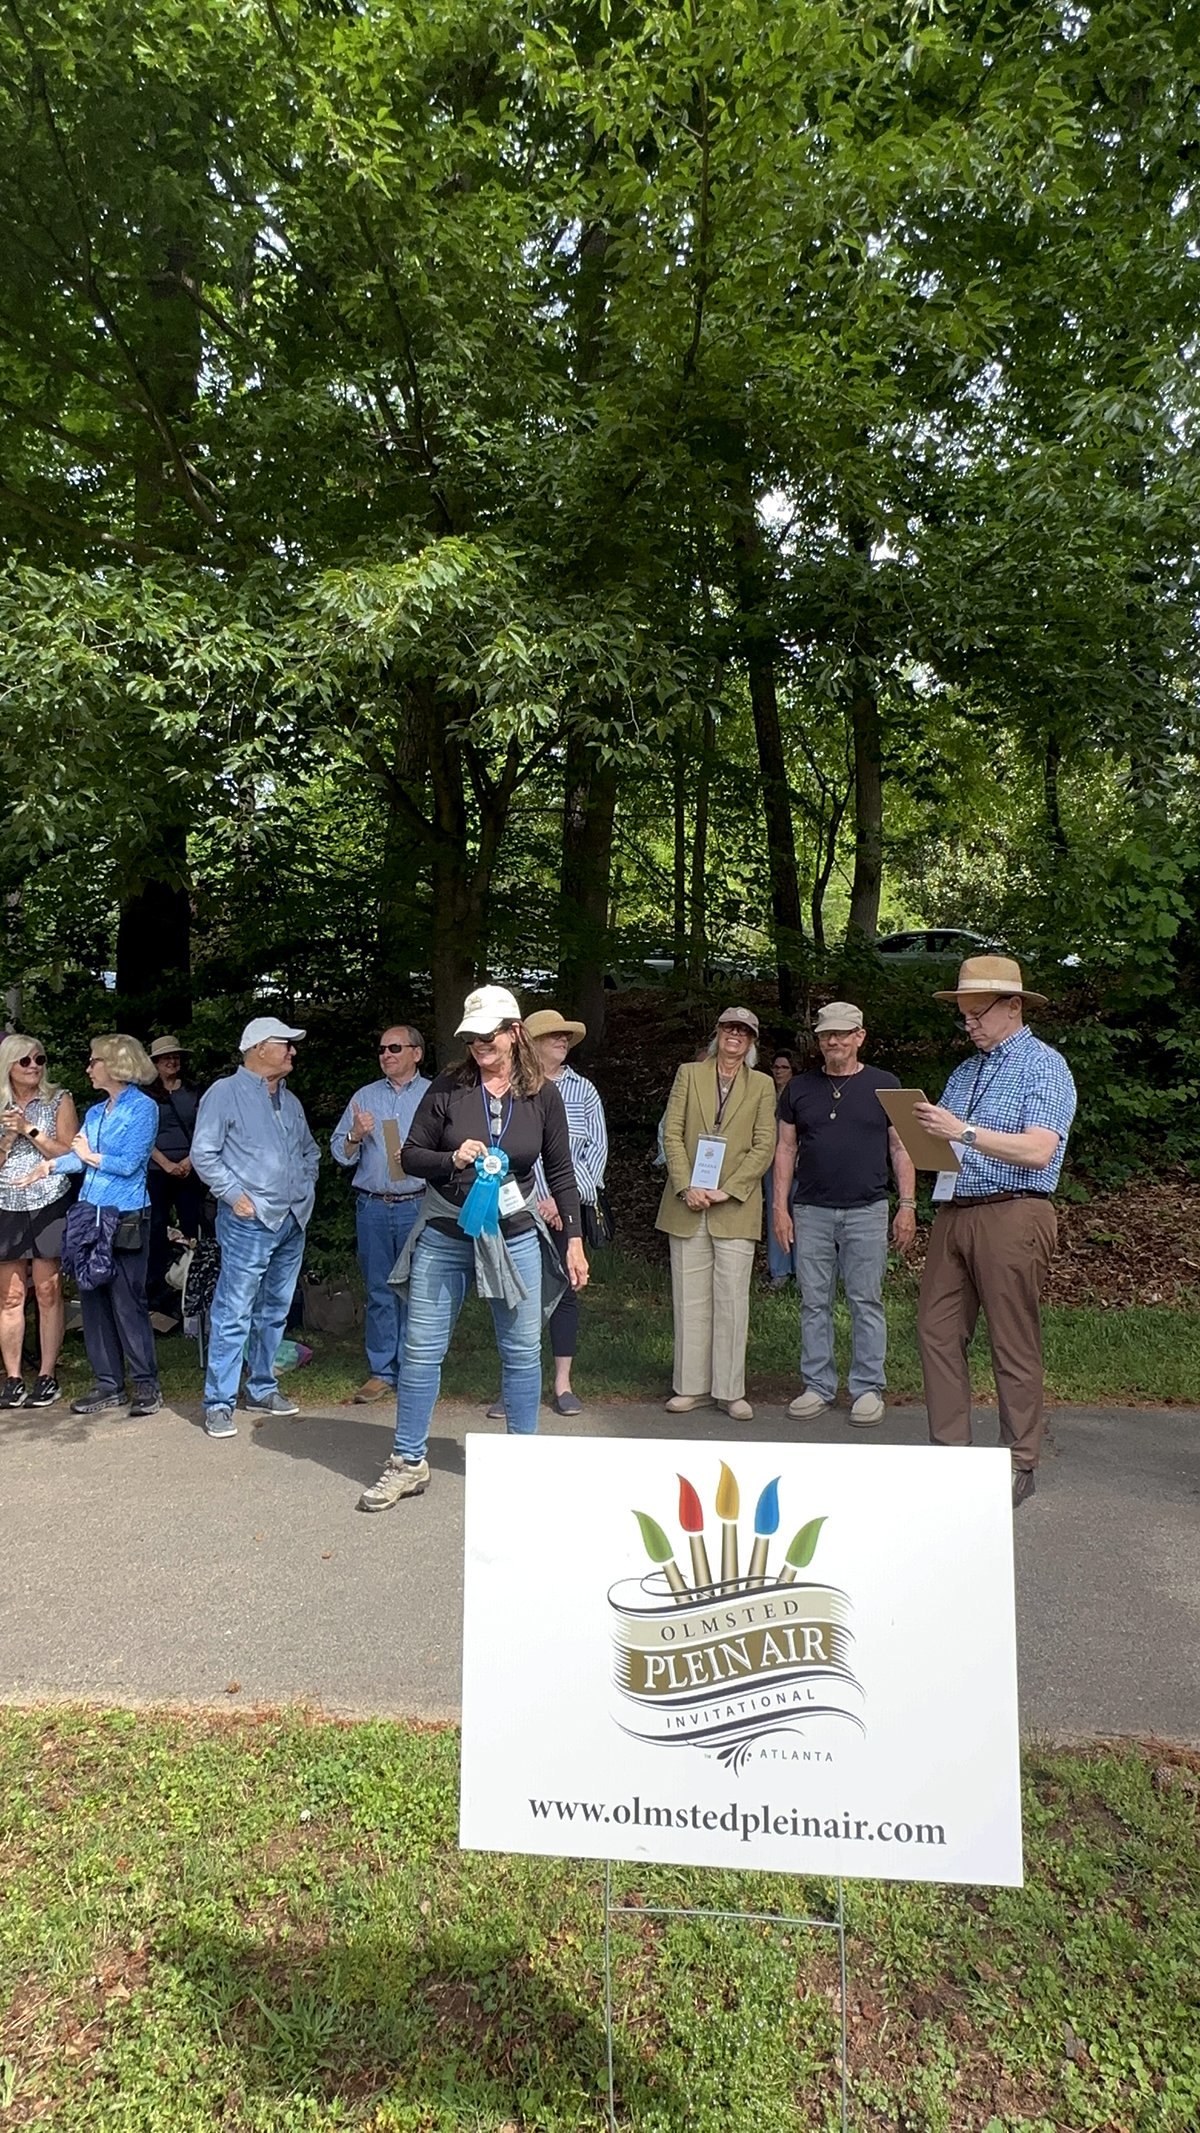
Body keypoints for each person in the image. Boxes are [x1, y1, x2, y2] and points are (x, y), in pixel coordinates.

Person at [358, 985, 587, 1512]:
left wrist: (573, 1240)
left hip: (516, 1237)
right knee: (420, 1351)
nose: (480, 1044)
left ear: (514, 1033)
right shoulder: (448, 1087)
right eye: (472, 1036)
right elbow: (410, 1156)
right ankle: (407, 1462)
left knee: (523, 1352)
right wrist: (453, 1160)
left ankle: (520, 1463)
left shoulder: (542, 1095)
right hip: (445, 1233)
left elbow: (561, 1173)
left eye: (489, 1034)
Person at [913, 955, 1077, 1509]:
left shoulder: (1044, 1067)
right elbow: (949, 1144)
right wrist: (927, 1136)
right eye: (963, 1015)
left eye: (978, 1013)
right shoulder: (964, 1072)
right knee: (936, 1331)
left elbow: (1038, 1150)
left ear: (1013, 1007)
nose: (970, 1025)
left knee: (1013, 1337)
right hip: (955, 1209)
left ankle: (1018, 1459)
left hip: (1014, 1211)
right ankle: (950, 1454)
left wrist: (963, 1130)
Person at [772, 1001, 916, 1428]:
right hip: (811, 1209)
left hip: (868, 1209)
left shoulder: (886, 1085)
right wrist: (779, 1209)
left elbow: (900, 1147)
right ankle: (817, 1385)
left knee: (865, 1300)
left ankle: (868, 1388)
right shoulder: (797, 1088)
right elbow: (785, 1149)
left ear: (859, 1037)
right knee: (813, 1302)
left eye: (841, 1034)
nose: (833, 1041)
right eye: (825, 1035)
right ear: (818, 1041)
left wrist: (907, 1205)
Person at [191, 1017, 320, 1440]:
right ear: (260, 1047)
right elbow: (203, 1153)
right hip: (249, 1221)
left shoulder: (291, 1100)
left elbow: (309, 1151)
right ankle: (219, 1403)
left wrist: (304, 1190)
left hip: (291, 1221)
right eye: (286, 1045)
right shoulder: (224, 1094)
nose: (292, 1052)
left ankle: (262, 1388)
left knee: (275, 1310)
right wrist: (234, 1196)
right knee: (233, 1310)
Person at [23, 1034, 161, 1417]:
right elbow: (81, 1160)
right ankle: (108, 1385)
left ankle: (146, 1385)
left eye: (93, 1061)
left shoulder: (143, 1109)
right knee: (93, 1300)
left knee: (127, 1301)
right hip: (89, 1215)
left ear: (115, 1065)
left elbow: (129, 1163)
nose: (88, 1068)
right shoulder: (98, 1112)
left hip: (127, 1214)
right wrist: (50, 1166)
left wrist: (88, 1154)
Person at [655, 1007, 777, 1423]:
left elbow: (765, 1145)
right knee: (689, 1298)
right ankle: (691, 1388)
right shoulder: (689, 1074)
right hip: (687, 1202)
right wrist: (686, 1185)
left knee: (731, 1301)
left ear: (752, 1042)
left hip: (735, 1207)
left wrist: (728, 1190)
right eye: (729, 1028)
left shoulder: (761, 1085)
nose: (735, 1036)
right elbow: (671, 1132)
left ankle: (730, 1391)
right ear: (718, 1033)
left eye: (744, 1031)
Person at [331, 1024, 431, 1403]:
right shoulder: (365, 1096)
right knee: (379, 1290)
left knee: (417, 1291)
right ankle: (381, 1371)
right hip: (372, 1206)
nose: (386, 1055)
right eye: (381, 1049)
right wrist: (355, 1134)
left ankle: (414, 1370)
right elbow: (340, 1153)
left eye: (394, 1047)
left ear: (416, 1053)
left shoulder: (434, 1095)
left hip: (419, 1205)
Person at [522, 1007, 609, 1415]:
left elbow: (596, 1157)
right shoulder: (516, 1089)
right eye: (554, 1035)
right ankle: (515, 1386)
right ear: (533, 1043)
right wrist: (536, 1201)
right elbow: (507, 1154)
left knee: (565, 1297)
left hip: (564, 1214)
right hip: (519, 1212)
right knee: (517, 1298)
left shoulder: (585, 1092)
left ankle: (562, 1385)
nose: (563, 1041)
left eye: (566, 1036)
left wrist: (561, 1201)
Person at [0, 1035, 79, 1408]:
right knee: (11, 1295)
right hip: (5, 1201)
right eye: (25, 1061)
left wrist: (30, 1129)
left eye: (40, 1059)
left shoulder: (59, 1098)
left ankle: (47, 1374)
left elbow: (69, 1154)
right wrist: (7, 1138)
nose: (34, 1066)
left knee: (49, 1291)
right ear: (9, 1066)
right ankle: (13, 1377)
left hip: (49, 1199)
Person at [145, 1035, 207, 1324]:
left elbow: (206, 1129)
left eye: (176, 1057)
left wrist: (188, 1161)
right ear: (155, 1062)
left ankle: (193, 1285)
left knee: (192, 1224)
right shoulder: (145, 1095)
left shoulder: (194, 1091)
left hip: (190, 1166)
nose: (172, 1061)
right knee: (156, 1226)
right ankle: (155, 1287)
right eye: (166, 1057)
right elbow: (142, 1136)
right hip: (157, 1168)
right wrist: (167, 1164)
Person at [763, 1049, 795, 1286]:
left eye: (783, 1067)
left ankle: (802, 1271)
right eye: (775, 1067)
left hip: (800, 1166)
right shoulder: (766, 1094)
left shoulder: (797, 1094)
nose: (778, 1072)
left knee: (801, 1217)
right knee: (777, 1212)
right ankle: (779, 1270)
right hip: (771, 1164)